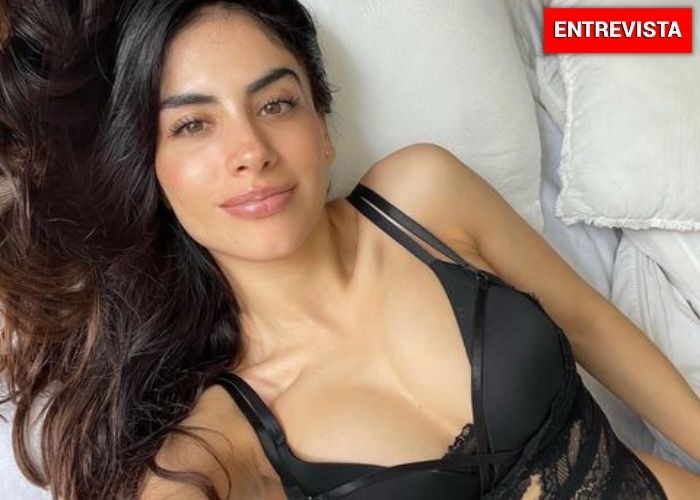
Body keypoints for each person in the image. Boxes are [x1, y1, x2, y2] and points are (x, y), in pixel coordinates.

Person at [0, 0, 699, 498]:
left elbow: (588, 323)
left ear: (324, 128)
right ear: (151, 172)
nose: (251, 150)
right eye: (193, 126)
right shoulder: (224, 440)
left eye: (276, 104)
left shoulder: (424, 196)